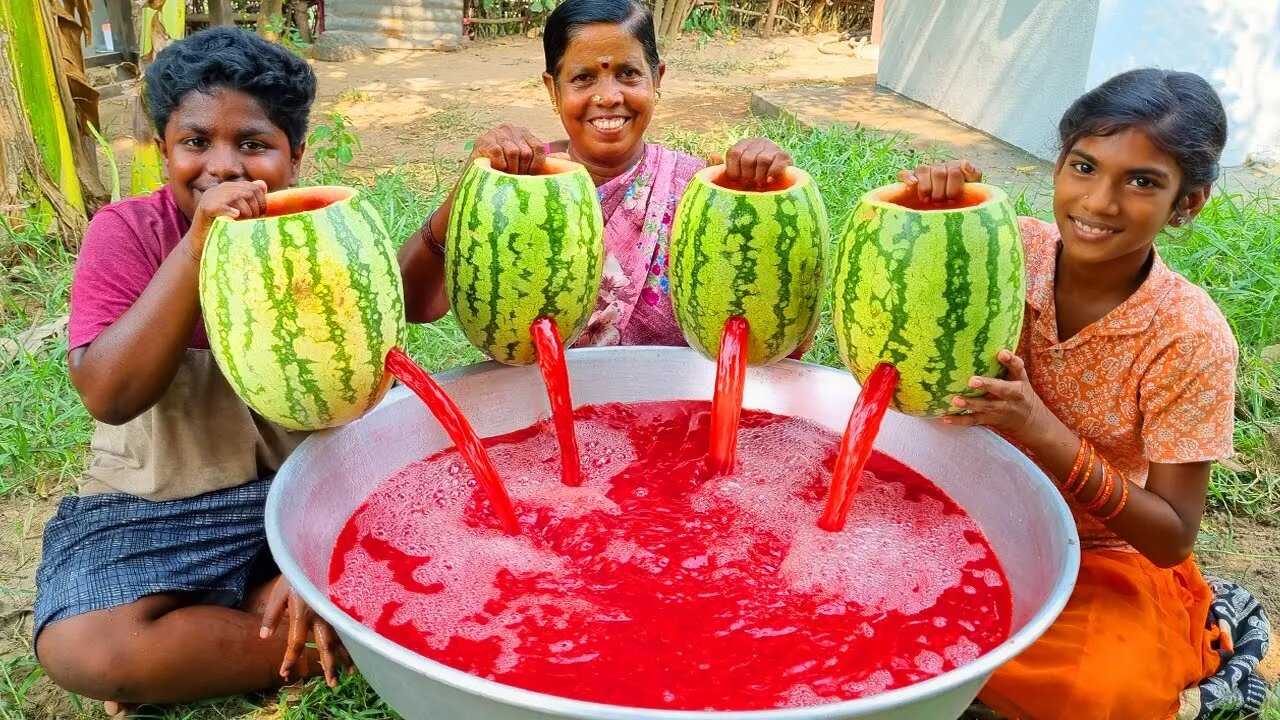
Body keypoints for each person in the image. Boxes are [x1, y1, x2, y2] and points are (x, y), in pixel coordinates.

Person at [905, 69, 1270, 719]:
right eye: (1083, 165)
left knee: (1097, 691)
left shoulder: (1188, 335)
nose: (1099, 202)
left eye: (1142, 182)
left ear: (1189, 203)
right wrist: (925, 217)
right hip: (960, 511)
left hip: (1100, 557)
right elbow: (897, 348)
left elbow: (1172, 537)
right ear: (1058, 165)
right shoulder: (1005, 245)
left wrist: (1042, 431)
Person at [34, 27, 347, 716]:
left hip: (291, 490)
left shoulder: (324, 233)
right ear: (162, 150)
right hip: (159, 501)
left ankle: (247, 628)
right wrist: (196, 249)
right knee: (85, 649)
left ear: (297, 155)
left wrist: (314, 540)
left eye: (255, 144)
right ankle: (324, 634)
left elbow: (361, 401)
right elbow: (110, 396)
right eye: (197, 142)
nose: (225, 168)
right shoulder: (126, 233)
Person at [400, 0, 797, 348]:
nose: (608, 96)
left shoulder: (695, 191)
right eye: (583, 77)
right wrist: (468, 191)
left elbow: (772, 333)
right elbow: (410, 304)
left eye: (628, 74)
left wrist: (763, 203)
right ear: (553, 90)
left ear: (657, 79)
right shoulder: (511, 192)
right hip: (534, 412)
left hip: (673, 411)